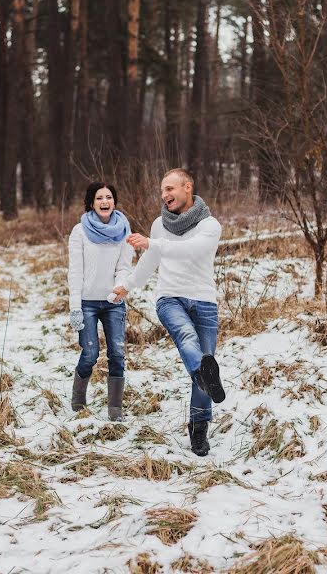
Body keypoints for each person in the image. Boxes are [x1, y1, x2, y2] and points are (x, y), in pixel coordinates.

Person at [112, 168, 225, 456]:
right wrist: (127, 284)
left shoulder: (210, 225)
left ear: (188, 187)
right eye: (163, 190)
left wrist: (154, 243)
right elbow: (151, 260)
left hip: (204, 301)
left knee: (204, 365)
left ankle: (199, 429)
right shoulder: (159, 225)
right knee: (189, 341)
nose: (165, 195)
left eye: (171, 188)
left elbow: (193, 250)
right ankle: (201, 372)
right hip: (169, 297)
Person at [68, 182, 134, 421]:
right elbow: (75, 271)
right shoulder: (80, 231)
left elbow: (125, 266)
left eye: (109, 197)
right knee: (90, 353)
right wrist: (75, 306)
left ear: (114, 201)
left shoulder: (124, 229)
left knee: (117, 353)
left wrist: (121, 286)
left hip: (113, 302)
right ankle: (78, 399)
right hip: (86, 303)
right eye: (99, 198)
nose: (105, 201)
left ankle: (115, 411)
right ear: (91, 203)